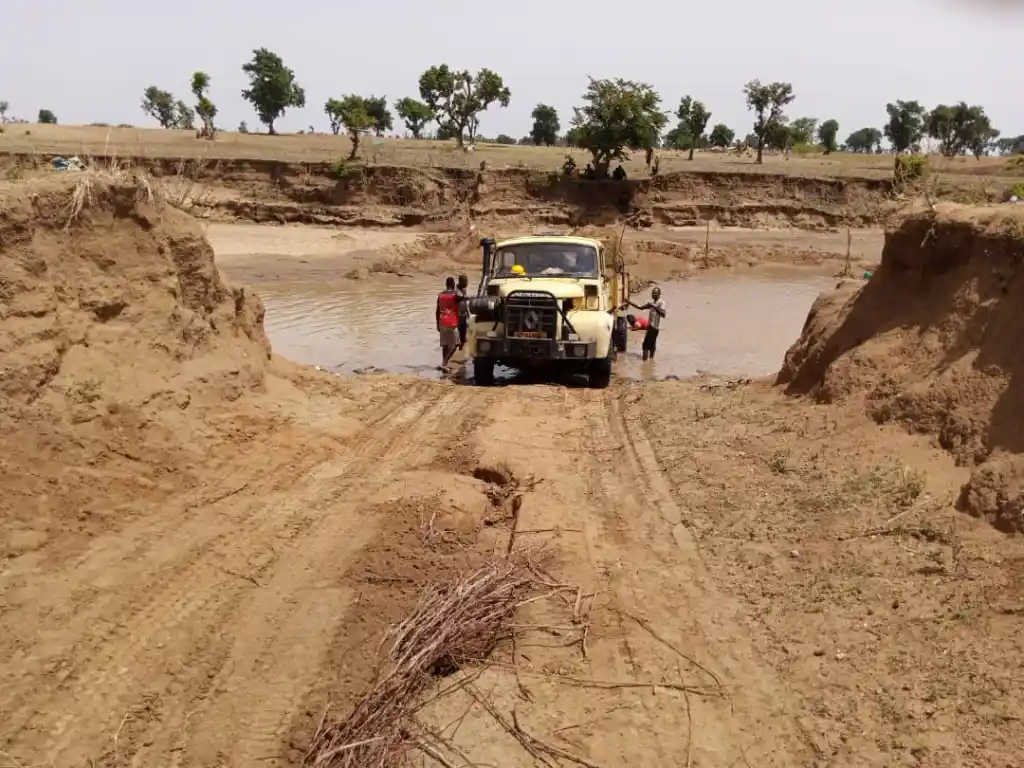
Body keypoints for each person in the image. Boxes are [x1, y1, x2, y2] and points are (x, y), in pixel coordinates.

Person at [629, 286, 666, 361]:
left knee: (645, 346)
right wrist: (629, 302)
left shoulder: (661, 303)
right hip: (650, 327)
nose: (653, 294)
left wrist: (654, 306)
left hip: (654, 328)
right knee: (652, 345)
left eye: (655, 293)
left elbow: (663, 314)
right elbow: (640, 307)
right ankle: (651, 362)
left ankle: (644, 362)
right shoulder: (652, 303)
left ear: (659, 294)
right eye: (652, 293)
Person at [436, 277, 460, 368]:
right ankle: (444, 363)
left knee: (445, 344)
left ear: (446, 284)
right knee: (456, 344)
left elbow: (437, 311)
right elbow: (462, 297)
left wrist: (437, 324)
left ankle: (444, 363)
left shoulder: (440, 295)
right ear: (453, 284)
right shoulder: (455, 295)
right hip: (452, 322)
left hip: (442, 321)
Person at [455, 273, 470, 349]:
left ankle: (461, 350)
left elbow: (465, 303)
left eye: (467, 282)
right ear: (460, 282)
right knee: (457, 338)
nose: (466, 284)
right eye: (465, 282)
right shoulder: (455, 290)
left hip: (463, 315)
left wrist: (468, 315)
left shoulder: (464, 289)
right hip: (457, 315)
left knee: (463, 338)